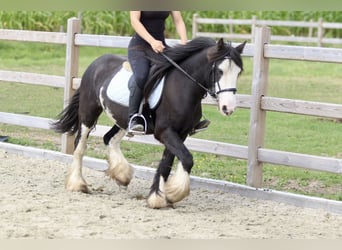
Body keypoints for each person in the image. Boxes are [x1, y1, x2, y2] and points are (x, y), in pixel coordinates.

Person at [127, 11, 210, 134]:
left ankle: (194, 118)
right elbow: (135, 21)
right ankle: (134, 118)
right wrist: (152, 41)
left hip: (160, 46)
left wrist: (184, 41)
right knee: (142, 75)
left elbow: (178, 20)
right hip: (140, 47)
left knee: (184, 70)